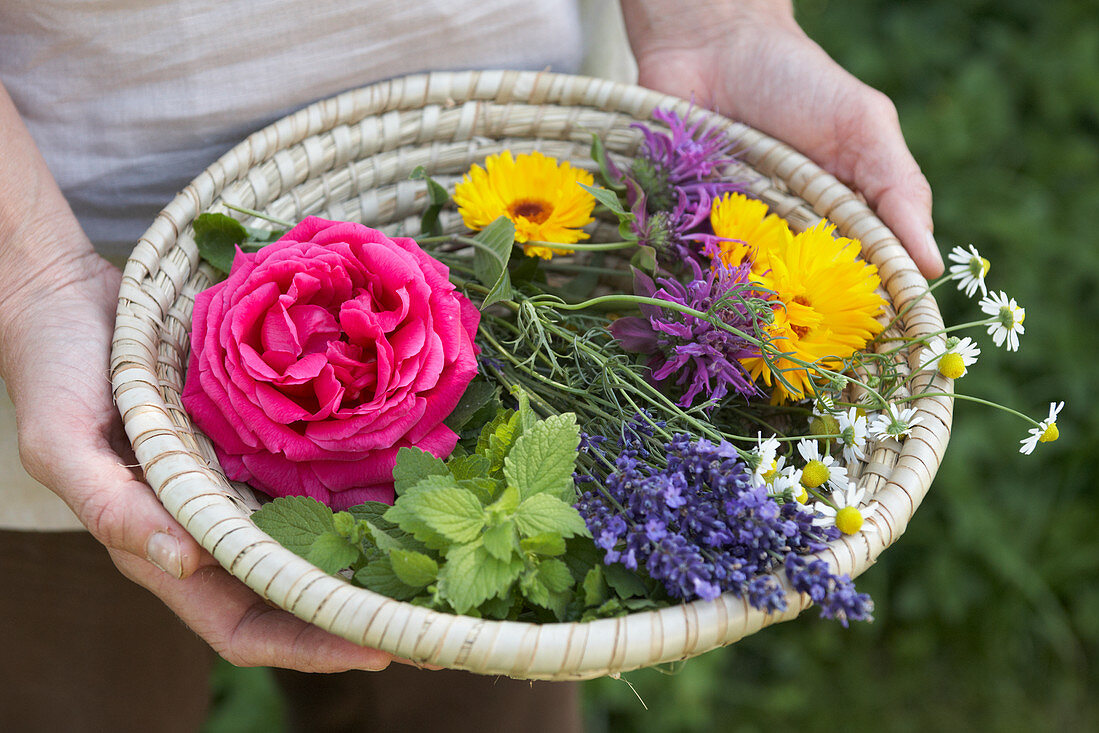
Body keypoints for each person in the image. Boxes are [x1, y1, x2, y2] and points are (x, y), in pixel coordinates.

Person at [0, 0, 943, 729]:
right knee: (81, 690)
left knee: (483, 679)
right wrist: (31, 271)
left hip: (535, 176)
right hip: (68, 288)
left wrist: (721, 23)